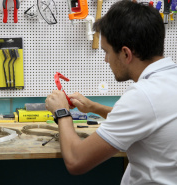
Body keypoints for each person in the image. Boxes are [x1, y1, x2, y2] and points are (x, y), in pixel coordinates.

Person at [45, 0, 177, 184]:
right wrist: (94, 107)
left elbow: (76, 161)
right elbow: (151, 118)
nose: (106, 60)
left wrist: (61, 112)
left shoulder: (143, 96)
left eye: (106, 52)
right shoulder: (168, 80)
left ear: (126, 54)